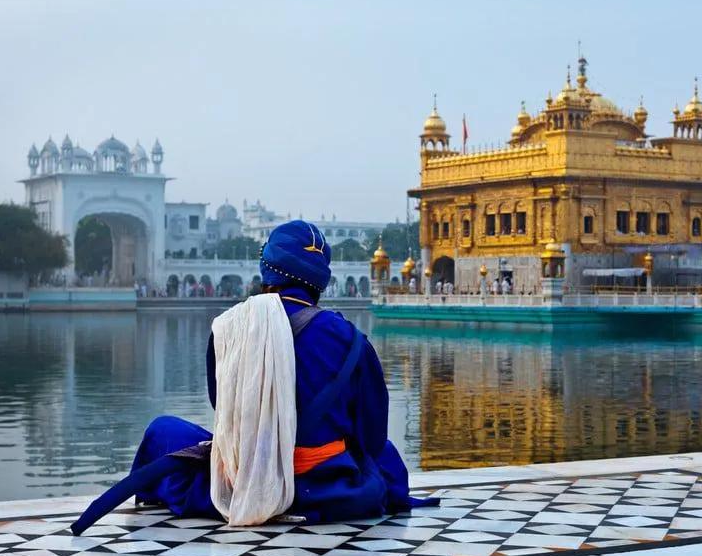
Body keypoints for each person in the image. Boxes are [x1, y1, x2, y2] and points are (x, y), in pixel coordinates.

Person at [72, 220, 435, 533]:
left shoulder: (230, 327)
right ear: (320, 280)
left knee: (163, 431)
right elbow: (371, 436)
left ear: (267, 271)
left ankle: (208, 496)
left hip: (244, 476)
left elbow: (224, 411)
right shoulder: (353, 340)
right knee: (383, 454)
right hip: (326, 487)